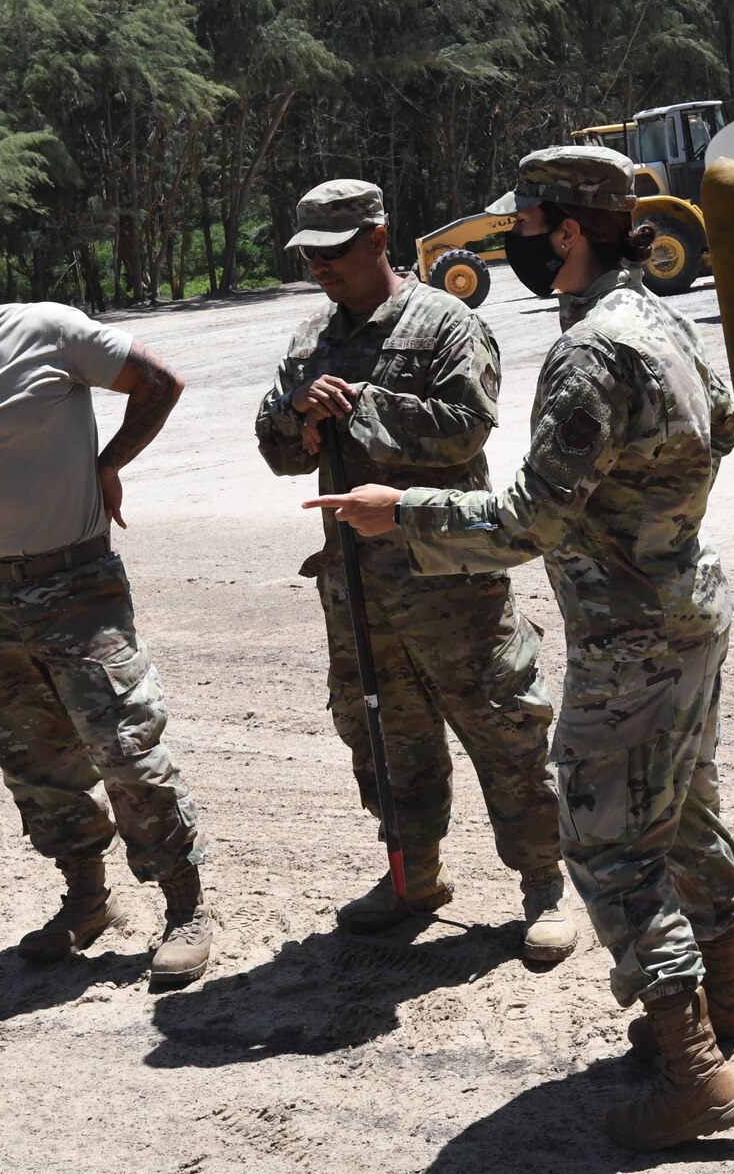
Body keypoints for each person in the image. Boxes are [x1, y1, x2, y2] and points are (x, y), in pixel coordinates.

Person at [308, 147, 734, 1152]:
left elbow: (525, 522)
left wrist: (402, 512)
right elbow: (723, 426)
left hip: (628, 630)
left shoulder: (591, 349)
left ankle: (690, 1068)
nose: (514, 237)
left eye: (524, 222)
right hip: (688, 601)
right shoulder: (662, 317)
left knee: (609, 841)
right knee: (683, 807)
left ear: (565, 230)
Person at [0, 225, 215, 989]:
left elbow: (160, 380)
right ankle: (86, 899)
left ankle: (185, 904)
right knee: (32, 758)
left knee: (124, 742)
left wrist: (108, 462)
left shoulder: (48, 330)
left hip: (76, 581)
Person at [254, 178, 575, 961]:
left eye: (334, 253)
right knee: (384, 739)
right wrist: (298, 415)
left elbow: (465, 431)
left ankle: (543, 885)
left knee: (502, 727)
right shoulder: (309, 341)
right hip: (355, 588)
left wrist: (361, 403)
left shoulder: (446, 323)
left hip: (448, 579)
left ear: (378, 238)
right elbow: (272, 448)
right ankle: (413, 876)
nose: (321, 270)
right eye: (310, 258)